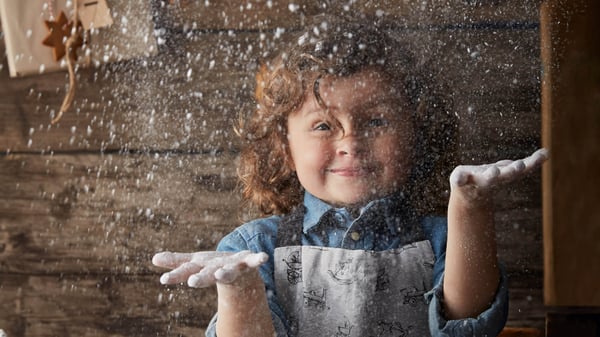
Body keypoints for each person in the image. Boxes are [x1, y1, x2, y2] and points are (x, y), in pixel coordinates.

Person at [152, 14, 548, 337]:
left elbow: (469, 326)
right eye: (324, 126)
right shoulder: (256, 248)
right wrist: (239, 290)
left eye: (376, 121)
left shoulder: (440, 236)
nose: (351, 143)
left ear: (416, 136)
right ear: (284, 148)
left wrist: (470, 210)